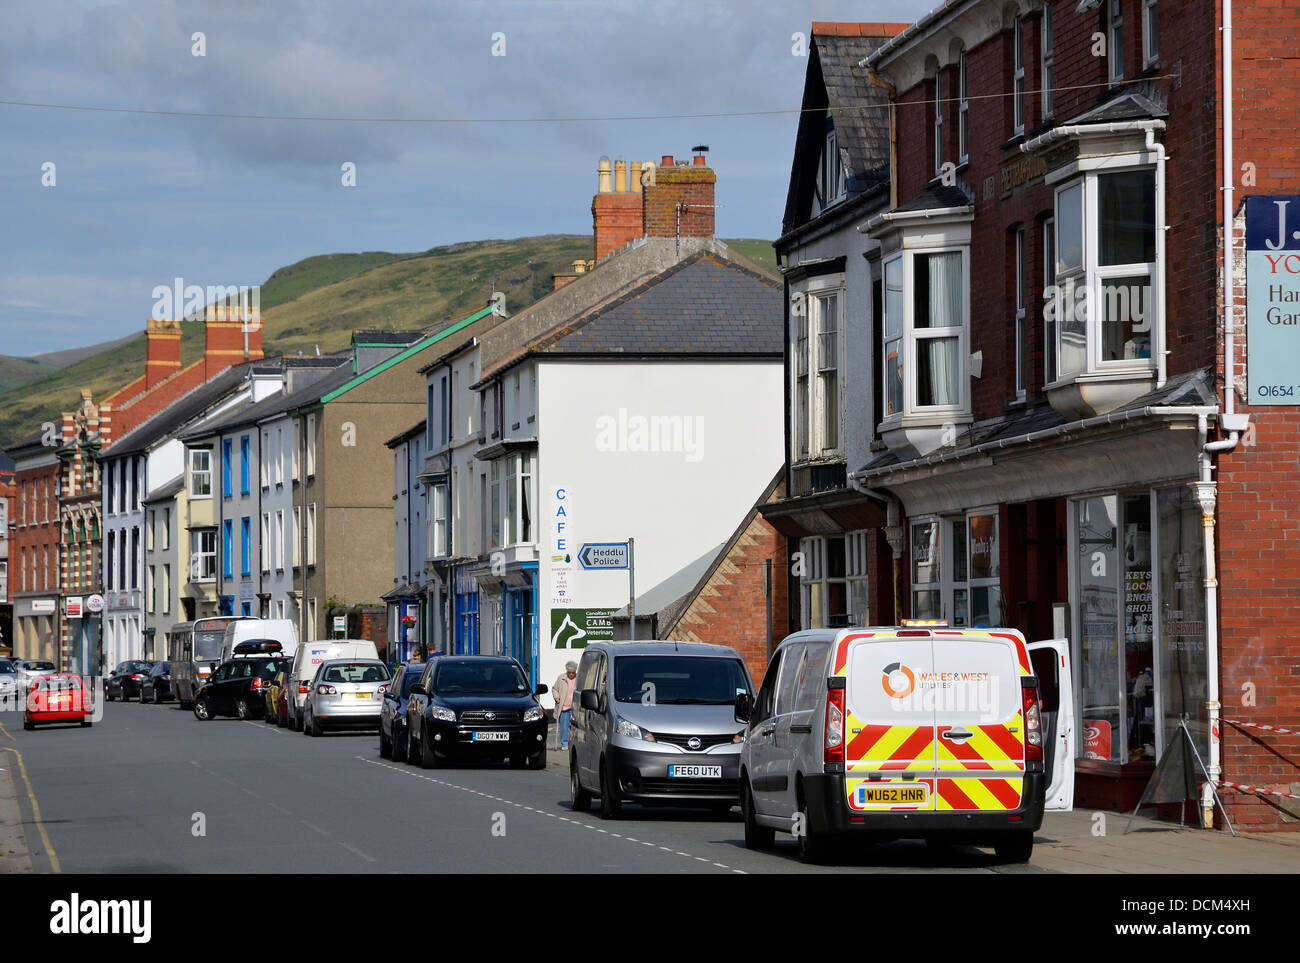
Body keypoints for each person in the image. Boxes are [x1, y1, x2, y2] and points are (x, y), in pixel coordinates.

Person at [552, 661, 578, 750]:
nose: (571, 674)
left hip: (575, 708)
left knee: (575, 727)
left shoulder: (579, 679)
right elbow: (554, 689)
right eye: (569, 672)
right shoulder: (561, 678)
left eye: (573, 673)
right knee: (564, 727)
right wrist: (556, 697)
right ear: (567, 671)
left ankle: (575, 744)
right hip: (564, 707)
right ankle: (565, 744)